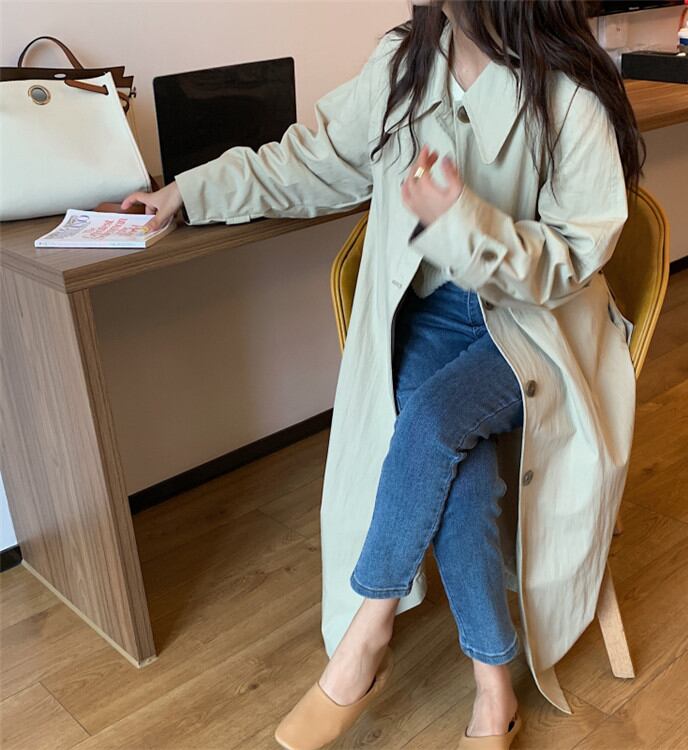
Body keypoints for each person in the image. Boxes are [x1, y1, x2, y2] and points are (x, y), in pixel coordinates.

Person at [123, 1, 644, 748]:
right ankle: (494, 689)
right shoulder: (405, 61)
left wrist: (460, 221)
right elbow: (315, 161)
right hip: (431, 316)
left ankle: (365, 641)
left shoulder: (570, 93)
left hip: (535, 328)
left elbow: (568, 261)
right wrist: (189, 191)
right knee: (456, 462)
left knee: (431, 422)